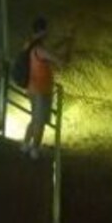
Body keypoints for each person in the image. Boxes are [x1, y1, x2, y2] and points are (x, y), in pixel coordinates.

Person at [21, 16, 70, 159]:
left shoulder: (28, 44)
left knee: (34, 119)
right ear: (43, 31)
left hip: (31, 88)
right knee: (40, 122)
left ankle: (25, 145)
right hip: (41, 90)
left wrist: (63, 41)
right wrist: (69, 45)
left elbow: (50, 52)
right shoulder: (40, 49)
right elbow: (62, 62)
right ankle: (35, 149)